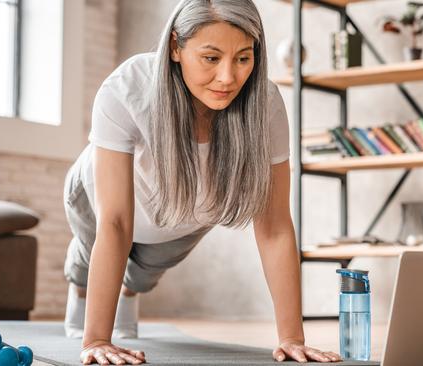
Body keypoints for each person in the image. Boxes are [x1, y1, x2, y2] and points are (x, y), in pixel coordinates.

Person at [62, 0, 342, 364]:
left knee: (144, 274)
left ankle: (130, 293)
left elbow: (274, 225)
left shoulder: (265, 105)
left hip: (181, 211)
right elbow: (114, 222)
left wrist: (292, 337)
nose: (228, 77)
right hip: (98, 196)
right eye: (211, 58)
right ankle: (81, 293)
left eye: (243, 58)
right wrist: (96, 339)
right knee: (88, 255)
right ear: (176, 47)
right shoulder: (128, 88)